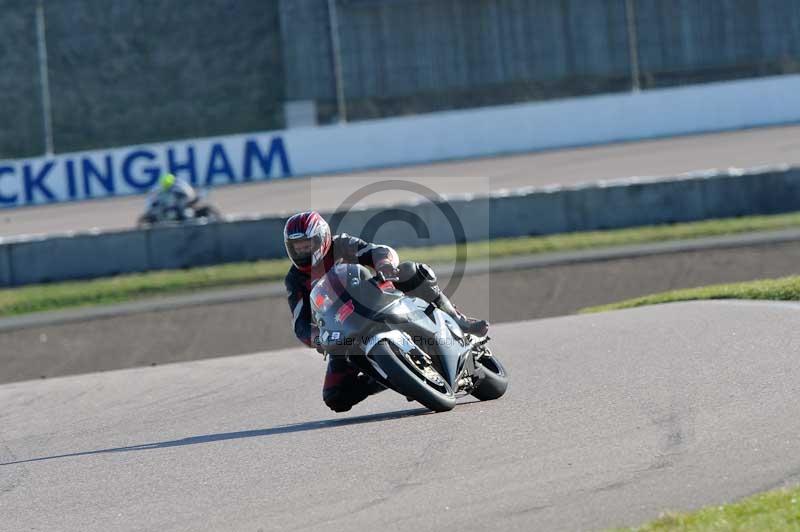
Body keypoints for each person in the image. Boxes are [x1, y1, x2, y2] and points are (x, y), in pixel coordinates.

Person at [283, 210, 489, 413]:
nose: (302, 251)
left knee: (412, 271)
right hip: (345, 329)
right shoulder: (295, 279)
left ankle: (457, 319)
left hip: (376, 298)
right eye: (297, 247)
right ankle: (393, 377)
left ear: (322, 238)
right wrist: (319, 339)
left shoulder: (341, 245)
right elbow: (300, 325)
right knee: (336, 397)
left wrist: (384, 265)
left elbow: (377, 251)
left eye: (306, 244)